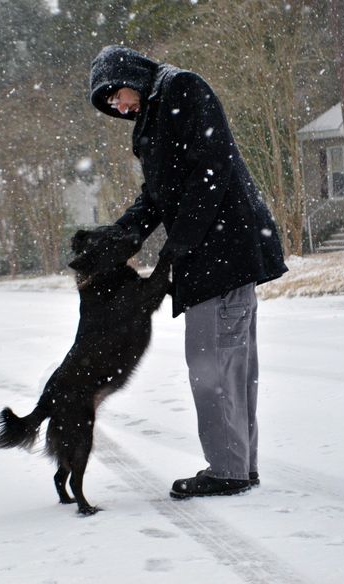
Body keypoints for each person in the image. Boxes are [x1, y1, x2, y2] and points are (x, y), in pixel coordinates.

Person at [88, 45, 288, 498]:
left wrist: (182, 240)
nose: (117, 107)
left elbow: (212, 169)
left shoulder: (182, 88)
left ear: (131, 75)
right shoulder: (151, 119)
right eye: (110, 106)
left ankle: (228, 470)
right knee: (227, 366)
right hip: (213, 255)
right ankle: (238, 466)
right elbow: (157, 194)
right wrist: (122, 235)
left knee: (212, 366)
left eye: (114, 95)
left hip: (222, 253)